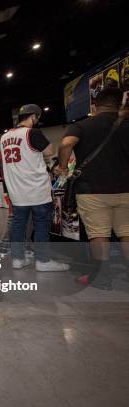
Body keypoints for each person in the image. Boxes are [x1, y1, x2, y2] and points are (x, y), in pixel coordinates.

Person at [57, 88, 129, 289]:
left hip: (93, 189)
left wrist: (62, 168)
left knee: (99, 234)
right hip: (126, 188)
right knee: (126, 232)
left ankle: (103, 277)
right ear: (119, 104)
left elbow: (66, 143)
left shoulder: (83, 125)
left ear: (95, 105)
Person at [0, 104, 69, 272]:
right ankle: (43, 261)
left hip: (17, 192)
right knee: (41, 225)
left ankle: (18, 259)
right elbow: (49, 151)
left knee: (18, 226)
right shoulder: (32, 133)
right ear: (33, 117)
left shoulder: (4, 137)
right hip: (37, 190)